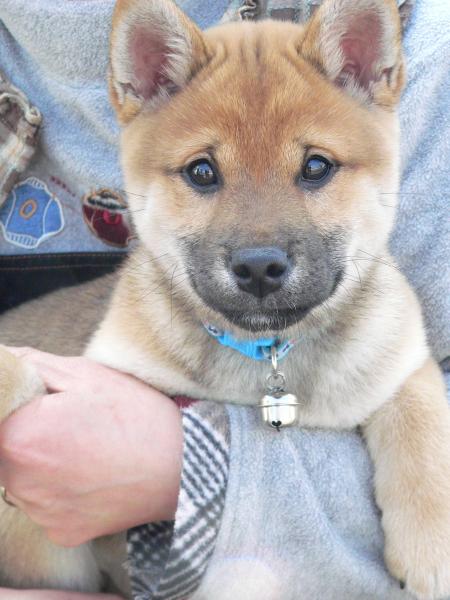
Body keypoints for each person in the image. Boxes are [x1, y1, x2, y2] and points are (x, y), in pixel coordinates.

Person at [0, 0, 448, 598]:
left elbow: (410, 381)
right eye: (204, 175)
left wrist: (185, 468)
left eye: (313, 168)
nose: (260, 248)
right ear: (144, 76)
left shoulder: (429, 65)